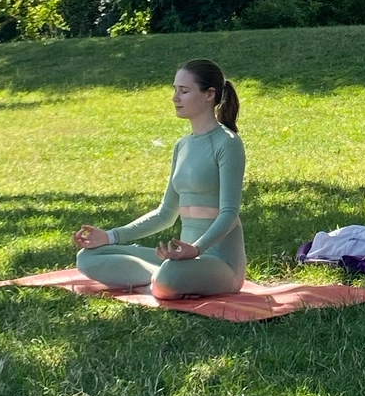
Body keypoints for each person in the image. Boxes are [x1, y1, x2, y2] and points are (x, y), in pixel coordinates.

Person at [73, 59, 248, 298]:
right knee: (88, 257)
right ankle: (161, 281)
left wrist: (196, 249)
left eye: (184, 91)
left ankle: (161, 281)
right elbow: (165, 213)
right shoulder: (182, 145)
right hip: (182, 259)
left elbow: (229, 213)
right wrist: (110, 236)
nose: (175, 98)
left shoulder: (228, 143)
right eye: (175, 90)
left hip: (220, 264)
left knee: (169, 276)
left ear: (209, 94)